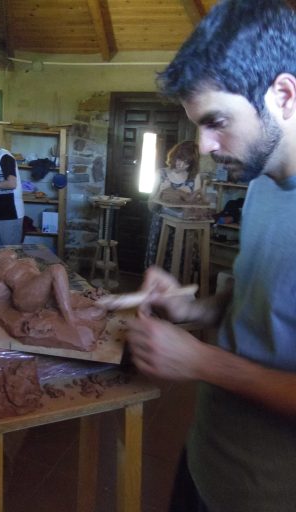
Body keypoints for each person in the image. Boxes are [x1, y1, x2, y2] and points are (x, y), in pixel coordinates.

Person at [126, 1, 296, 511]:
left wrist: (200, 361)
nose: (202, 146)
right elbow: (258, 302)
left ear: (284, 95)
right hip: (209, 461)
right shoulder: (263, 182)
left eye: (216, 121)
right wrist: (194, 309)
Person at [144, 140, 201, 269]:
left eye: (187, 163)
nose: (181, 165)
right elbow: (150, 207)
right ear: (174, 156)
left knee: (179, 268)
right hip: (161, 226)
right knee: (158, 266)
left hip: (183, 230)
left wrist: (189, 199)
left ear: (191, 164)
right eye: (179, 159)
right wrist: (160, 192)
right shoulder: (161, 174)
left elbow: (196, 210)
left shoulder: (194, 178)